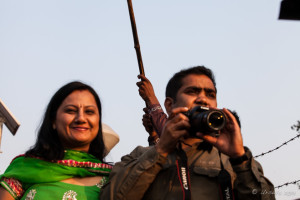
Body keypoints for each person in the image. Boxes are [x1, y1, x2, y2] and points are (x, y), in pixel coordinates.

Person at [100, 66, 275, 200]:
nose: (202, 98)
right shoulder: (140, 156)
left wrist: (240, 158)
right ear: (169, 105)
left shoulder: (232, 159)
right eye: (192, 91)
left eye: (210, 94)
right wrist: (160, 152)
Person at [0, 81, 119, 200]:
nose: (81, 118)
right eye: (71, 111)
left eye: (89, 112)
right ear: (53, 121)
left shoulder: (115, 180)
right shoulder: (24, 168)